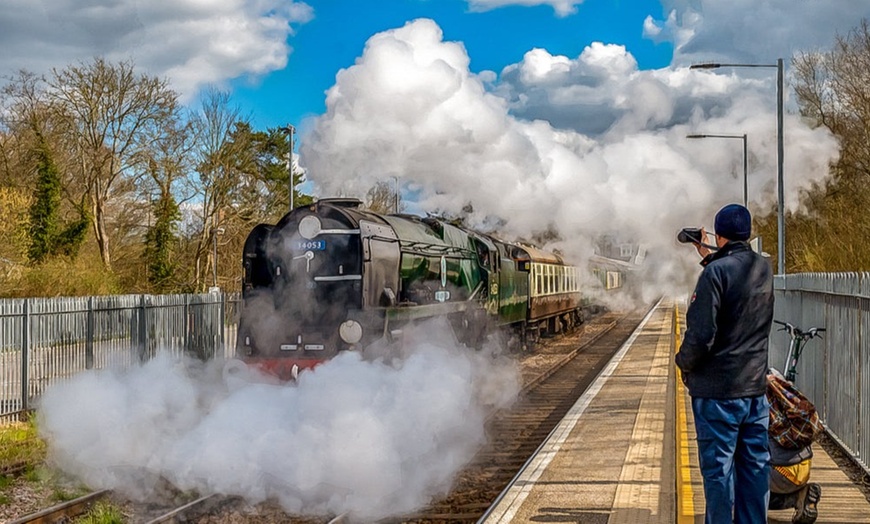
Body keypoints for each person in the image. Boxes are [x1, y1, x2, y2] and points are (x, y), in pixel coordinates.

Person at [675, 203, 775, 524]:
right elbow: (738, 277)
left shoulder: (714, 273)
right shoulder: (763, 269)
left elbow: (701, 336)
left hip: (717, 394)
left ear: (718, 236)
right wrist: (712, 254)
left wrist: (684, 363)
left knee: (719, 471)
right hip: (754, 391)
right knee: (755, 467)